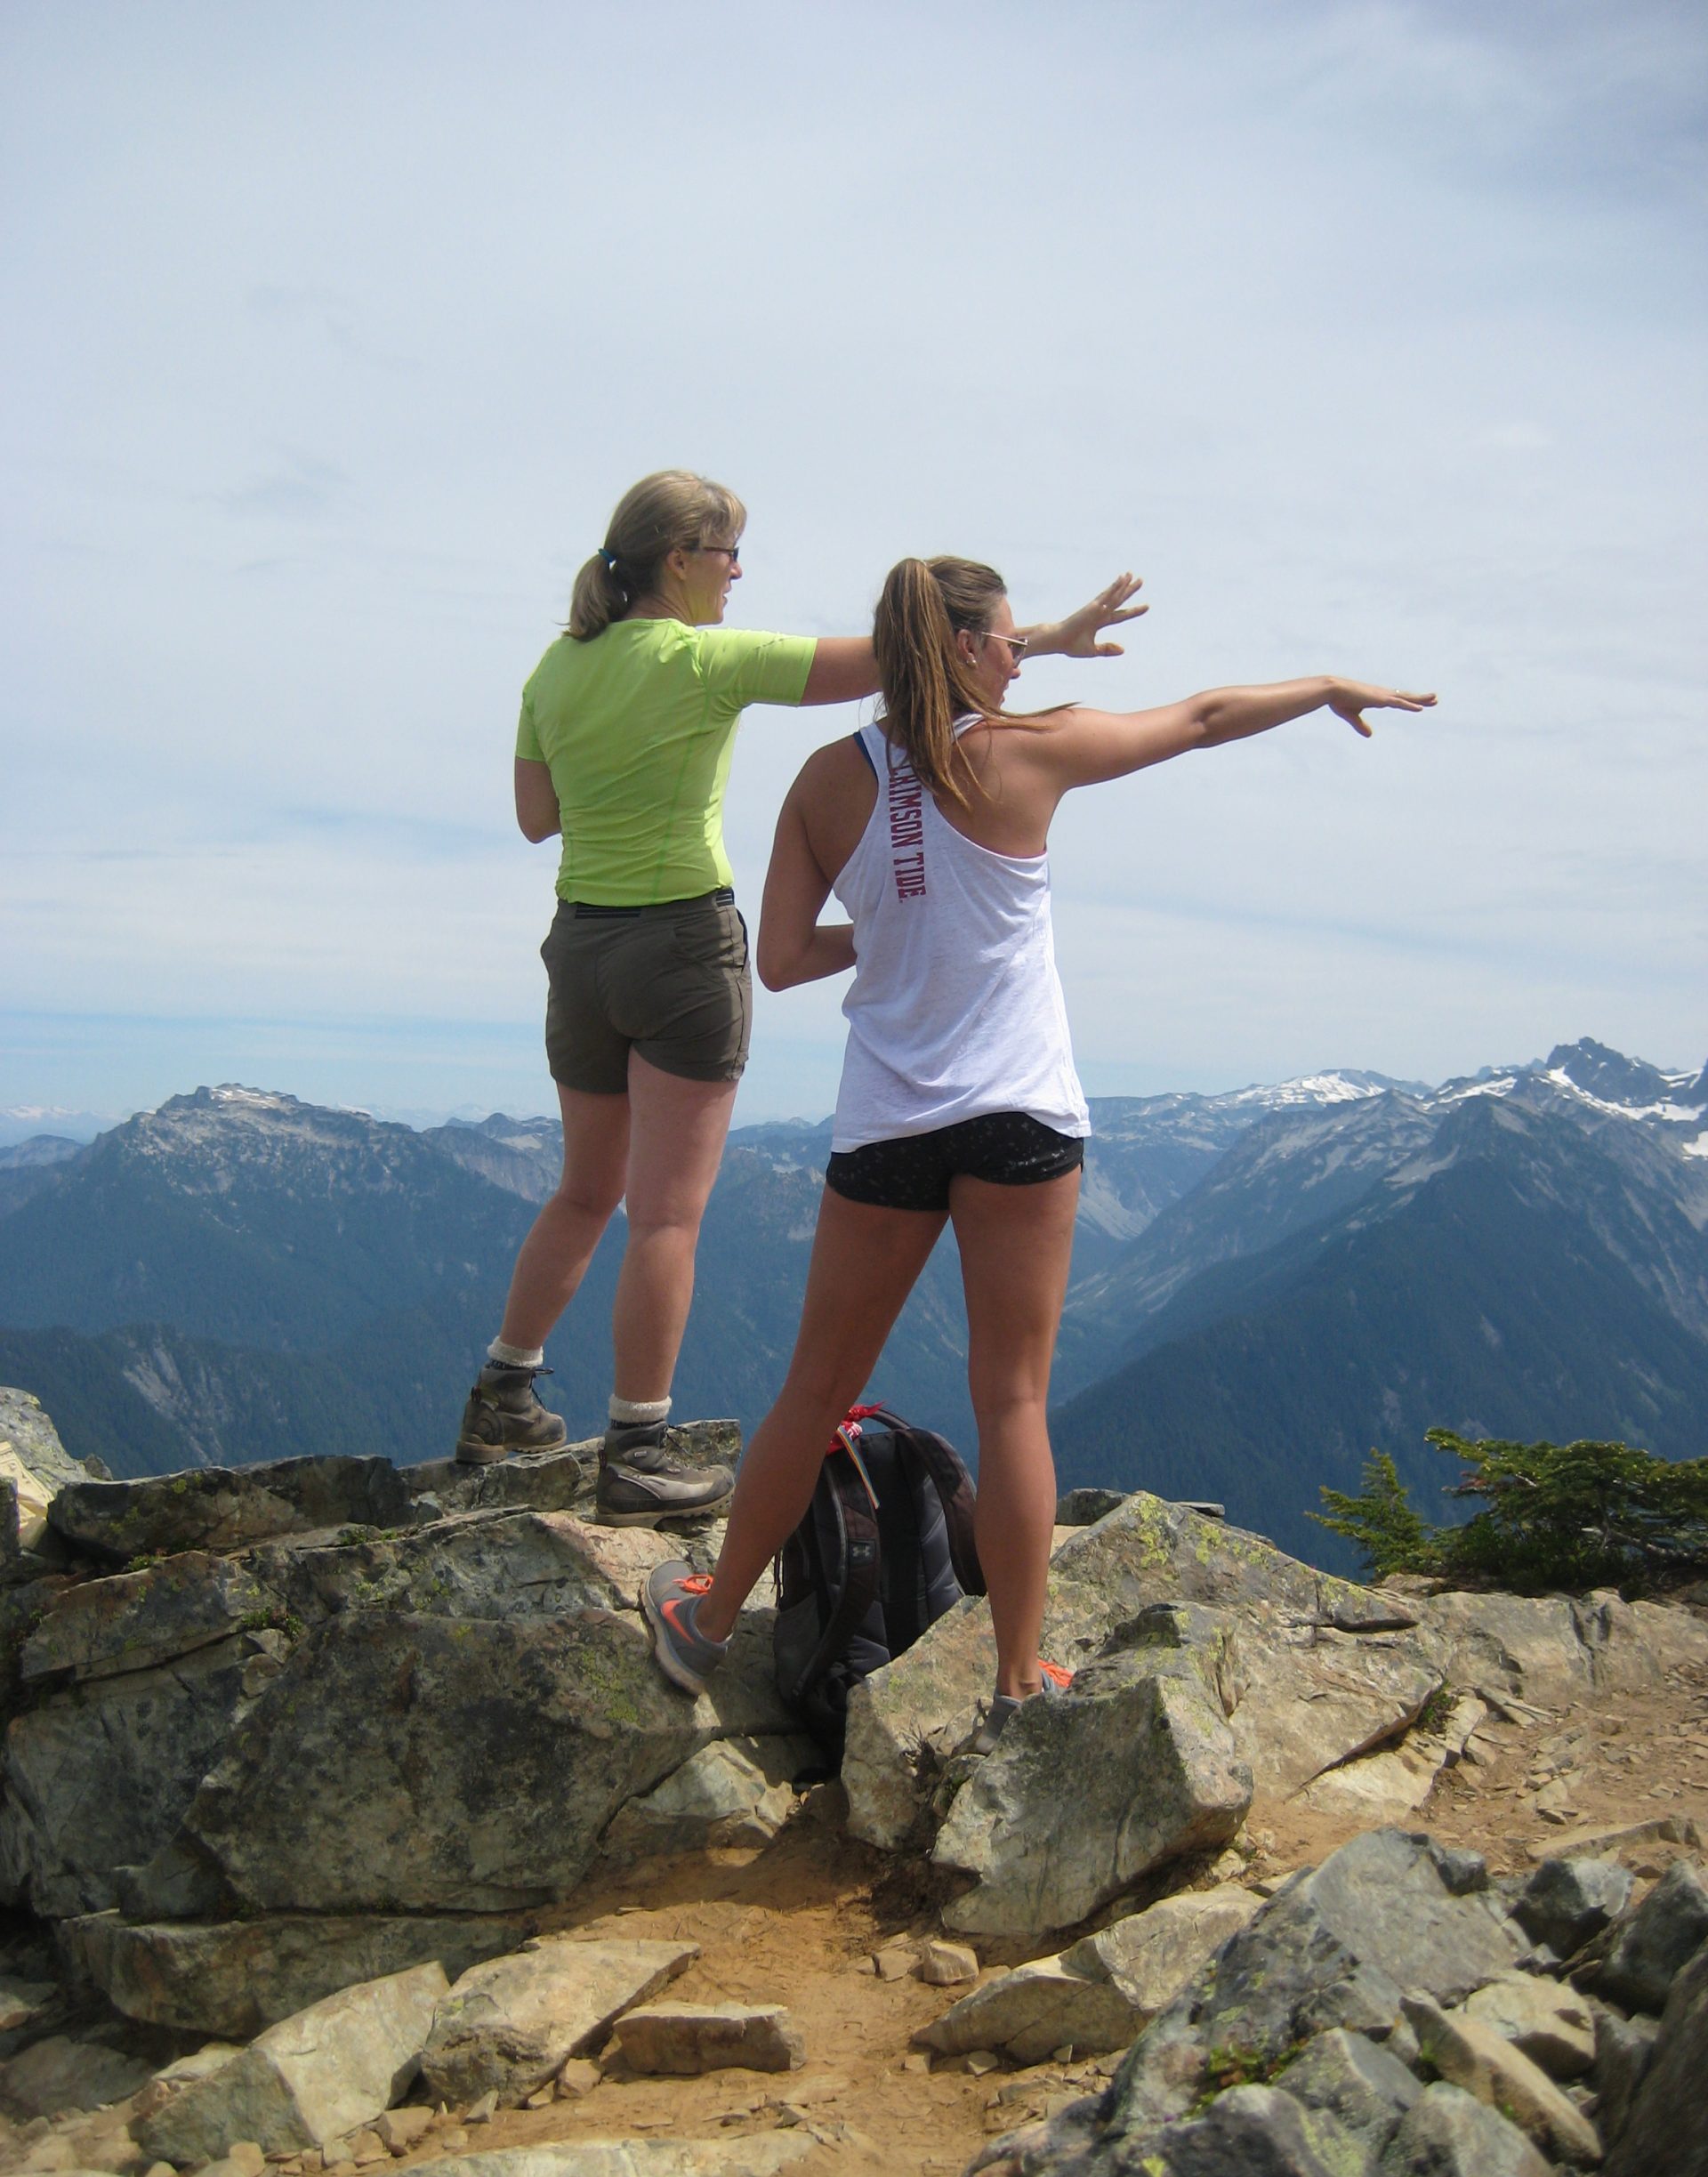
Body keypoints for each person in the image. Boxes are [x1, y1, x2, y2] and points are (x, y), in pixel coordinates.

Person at [642, 553, 1435, 1741]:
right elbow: (1205, 718)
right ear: (965, 647)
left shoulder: (823, 780)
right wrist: (1324, 684)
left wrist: (900, 928)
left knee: (815, 1389)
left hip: (890, 1119)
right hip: (1021, 1113)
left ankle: (705, 1627)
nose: (1021, 660)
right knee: (1012, 1397)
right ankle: (1018, 1683)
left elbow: (787, 958)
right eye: (1011, 642)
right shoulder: (1031, 752)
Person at [455, 475, 1145, 1520]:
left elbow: (535, 814)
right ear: (680, 558)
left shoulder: (555, 668)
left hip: (580, 943)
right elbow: (909, 655)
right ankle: (637, 1447)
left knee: (585, 1189)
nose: (739, 573)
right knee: (666, 1216)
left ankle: (504, 1392)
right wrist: (1040, 642)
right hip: (679, 945)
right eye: (728, 553)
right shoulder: (705, 660)